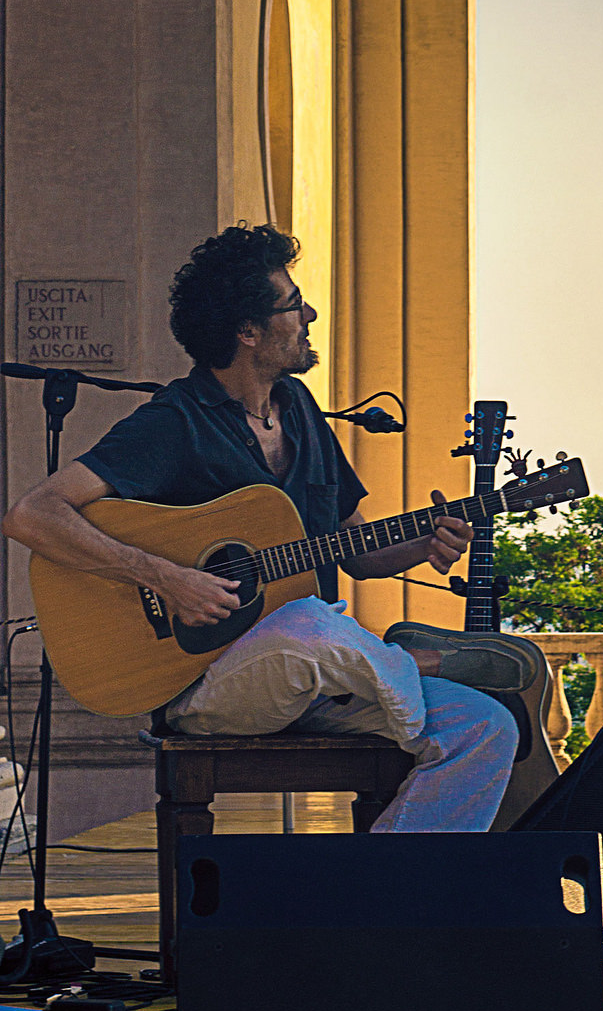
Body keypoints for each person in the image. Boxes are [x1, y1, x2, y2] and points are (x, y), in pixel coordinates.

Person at [3, 224, 520, 833]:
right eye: (292, 304)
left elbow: (355, 548)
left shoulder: (299, 410)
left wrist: (425, 542)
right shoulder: (176, 422)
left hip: (317, 675)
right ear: (247, 331)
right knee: (306, 623)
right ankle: (411, 663)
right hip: (209, 686)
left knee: (487, 727)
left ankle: (388, 902)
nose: (310, 313)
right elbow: (31, 515)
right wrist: (167, 577)